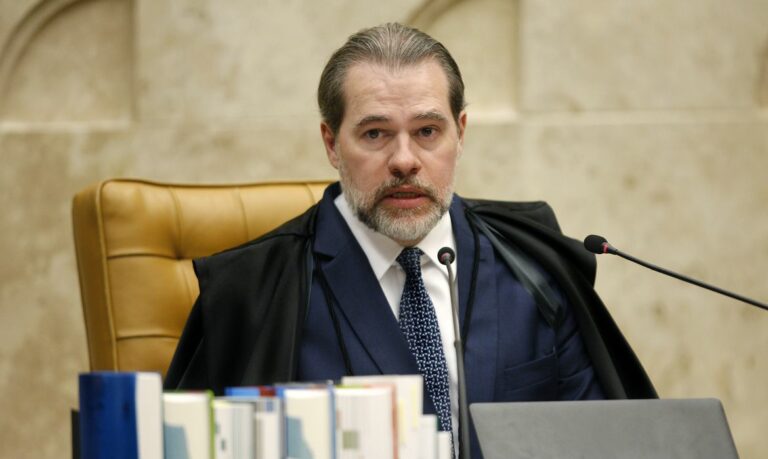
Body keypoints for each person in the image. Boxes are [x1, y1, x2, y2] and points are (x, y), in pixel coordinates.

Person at [165, 23, 656, 457]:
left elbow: (599, 442)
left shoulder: (533, 266)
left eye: (426, 131)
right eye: (375, 134)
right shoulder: (250, 293)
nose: (404, 160)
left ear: (460, 134)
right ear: (331, 143)